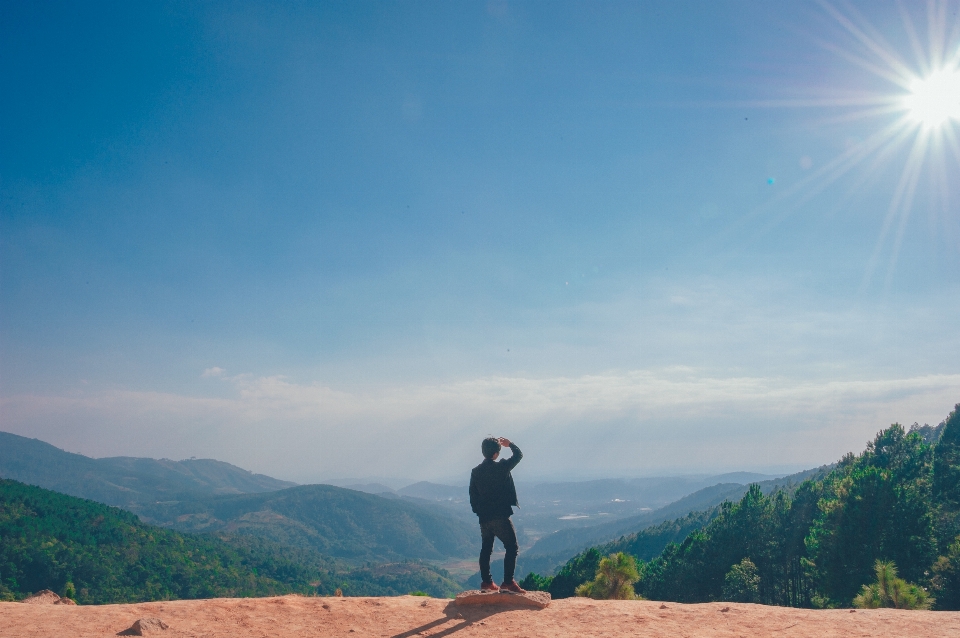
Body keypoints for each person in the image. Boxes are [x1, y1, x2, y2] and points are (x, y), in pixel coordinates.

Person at [469, 436, 526, 593]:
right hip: (500, 516)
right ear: (496, 454)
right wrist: (510, 444)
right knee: (512, 547)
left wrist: (479, 512)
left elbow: (472, 496)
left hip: (484, 518)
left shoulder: (476, 472)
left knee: (486, 548)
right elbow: (518, 455)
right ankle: (508, 582)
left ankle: (487, 582)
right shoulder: (501, 467)